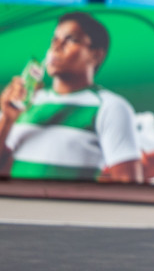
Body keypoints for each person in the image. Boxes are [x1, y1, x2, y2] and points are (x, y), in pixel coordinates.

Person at [0, 11, 143, 183]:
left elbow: (128, 185)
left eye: (71, 40)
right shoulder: (25, 103)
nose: (56, 47)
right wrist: (7, 120)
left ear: (96, 55)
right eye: (54, 40)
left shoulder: (110, 106)